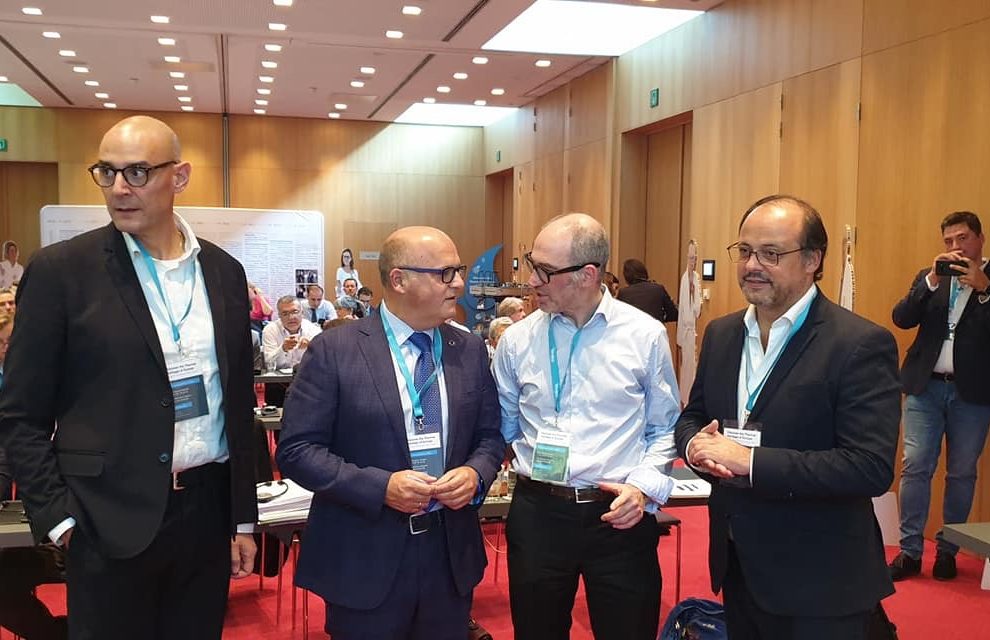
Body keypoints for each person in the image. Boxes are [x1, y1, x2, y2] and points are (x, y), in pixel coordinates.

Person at [0, 115, 257, 639]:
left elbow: (235, 404)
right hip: (105, 520)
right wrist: (59, 519)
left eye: (138, 172)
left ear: (179, 177)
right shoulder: (62, 271)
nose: (119, 188)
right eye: (107, 172)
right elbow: (21, 414)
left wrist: (242, 518)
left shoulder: (224, 272)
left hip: (205, 514)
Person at [675, 195, 900, 640]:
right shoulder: (722, 334)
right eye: (745, 251)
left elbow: (869, 466)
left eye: (771, 254)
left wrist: (749, 461)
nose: (751, 265)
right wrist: (694, 446)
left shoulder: (858, 344)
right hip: (738, 564)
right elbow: (694, 416)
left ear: (813, 260)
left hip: (820, 582)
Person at [276, 226, 504, 639]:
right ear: (399, 280)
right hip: (365, 558)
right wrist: (380, 487)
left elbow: (490, 436)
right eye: (446, 273)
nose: (459, 284)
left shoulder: (468, 349)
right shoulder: (335, 350)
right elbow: (297, 450)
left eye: (459, 270)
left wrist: (475, 474)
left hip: (448, 558)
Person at [493, 213, 681, 640]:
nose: (531, 280)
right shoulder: (517, 341)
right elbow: (504, 426)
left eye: (544, 270)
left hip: (619, 514)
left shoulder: (644, 336)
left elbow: (664, 427)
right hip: (539, 514)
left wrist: (643, 488)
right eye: (532, 265)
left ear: (588, 274)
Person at [888, 210, 990, 582]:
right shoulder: (930, 278)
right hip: (924, 387)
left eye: (963, 238)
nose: (955, 247)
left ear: (980, 239)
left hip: (972, 393)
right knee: (915, 466)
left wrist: (986, 288)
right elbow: (901, 317)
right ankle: (910, 552)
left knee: (961, 473)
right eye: (948, 241)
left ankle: (948, 551)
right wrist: (931, 280)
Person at [261, 295, 322, 371]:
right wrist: (283, 349)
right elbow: (268, 363)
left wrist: (311, 347)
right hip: (279, 377)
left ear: (302, 313)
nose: (291, 317)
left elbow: (323, 360)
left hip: (307, 375)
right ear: (279, 316)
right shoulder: (270, 330)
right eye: (285, 313)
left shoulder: (313, 330)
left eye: (295, 312)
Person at [676, 240, 703, 406]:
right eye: (690, 258)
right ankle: (684, 400)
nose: (693, 262)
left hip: (692, 330)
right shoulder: (684, 278)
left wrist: (694, 291)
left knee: (693, 365)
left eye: (695, 258)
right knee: (685, 366)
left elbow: (697, 310)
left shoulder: (696, 278)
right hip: (685, 330)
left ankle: (690, 400)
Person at [618, 258, 678, 323]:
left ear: (626, 277)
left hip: (632, 328)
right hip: (654, 328)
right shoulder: (658, 289)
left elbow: (620, 318)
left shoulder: (623, 293)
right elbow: (674, 315)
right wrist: (661, 315)